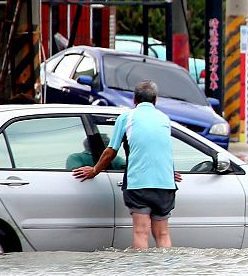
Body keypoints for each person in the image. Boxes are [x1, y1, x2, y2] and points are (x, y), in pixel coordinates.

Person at [72, 80, 181, 249]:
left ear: (134, 99)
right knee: (163, 234)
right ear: (155, 100)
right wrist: (169, 172)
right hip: (165, 185)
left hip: (139, 184)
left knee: (140, 233)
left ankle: (141, 274)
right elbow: (161, 149)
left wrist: (94, 170)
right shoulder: (164, 119)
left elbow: (111, 151)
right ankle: (166, 272)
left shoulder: (127, 117)